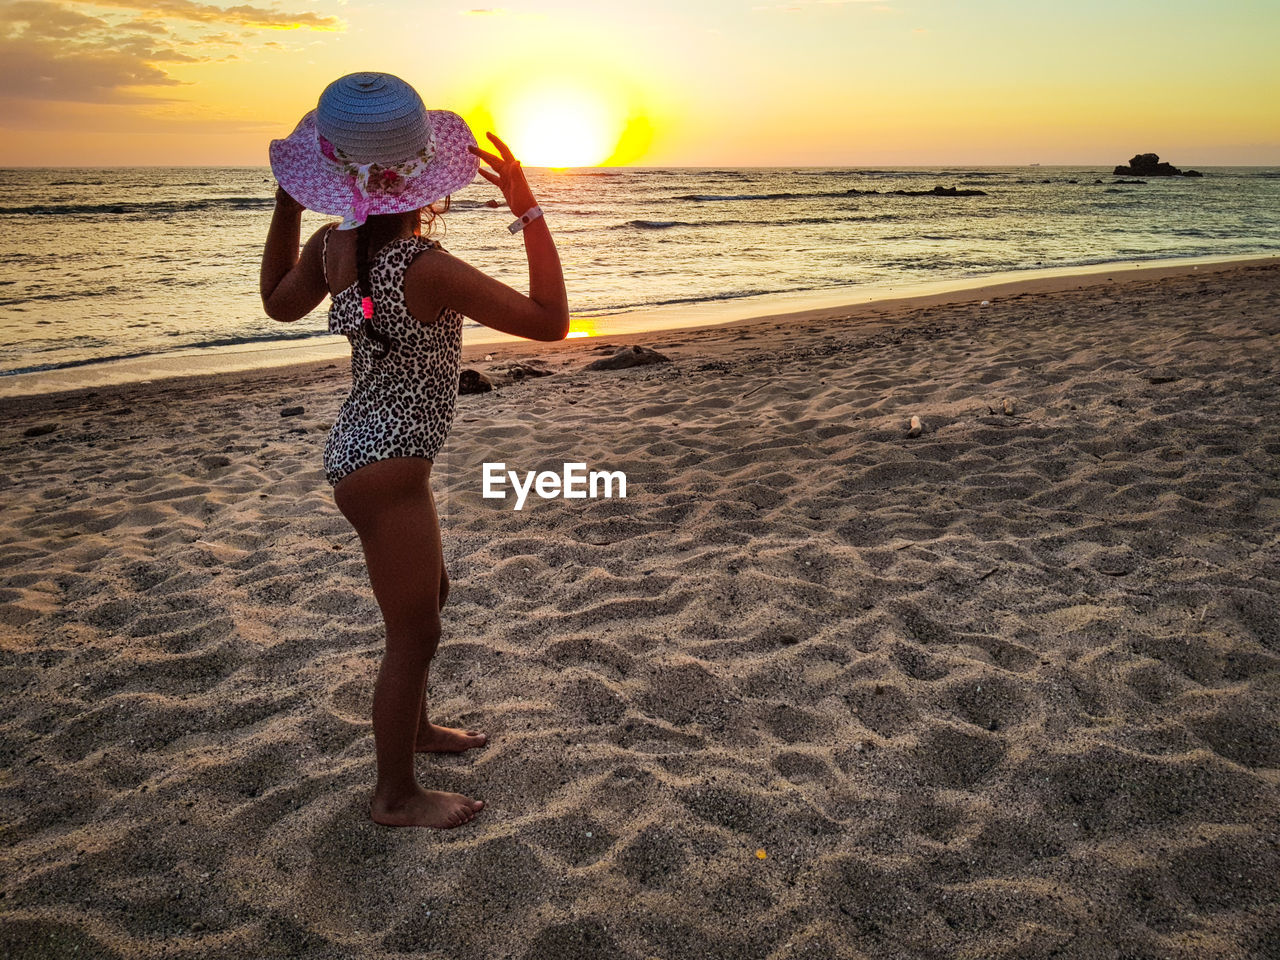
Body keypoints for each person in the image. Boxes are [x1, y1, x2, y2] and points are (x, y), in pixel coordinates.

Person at [258, 72, 569, 829]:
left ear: (333, 181)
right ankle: (394, 795)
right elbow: (550, 321)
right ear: (424, 179)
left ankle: (420, 731)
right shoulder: (424, 266)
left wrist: (287, 208)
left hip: (369, 453)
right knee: (415, 633)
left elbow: (275, 303)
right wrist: (526, 208)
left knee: (432, 600)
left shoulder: (337, 249)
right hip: (386, 470)